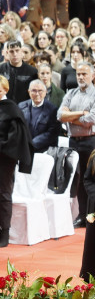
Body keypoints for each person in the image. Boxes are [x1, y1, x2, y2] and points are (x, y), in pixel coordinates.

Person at [58, 61, 95, 226]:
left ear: (93, 75)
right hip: (74, 141)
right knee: (78, 178)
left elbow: (91, 120)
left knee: (93, 178)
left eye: (84, 74)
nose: (80, 77)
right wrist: (79, 113)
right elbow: (60, 116)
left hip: (92, 140)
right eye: (78, 74)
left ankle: (94, 213)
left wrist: (70, 117)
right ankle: (82, 215)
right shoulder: (71, 93)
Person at [0, 75, 33, 248]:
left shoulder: (11, 109)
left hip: (5, 158)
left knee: (3, 193)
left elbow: (16, 138)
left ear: (5, 90)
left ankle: (4, 231)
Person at [18, 80, 59, 154]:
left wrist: (30, 144)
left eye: (40, 91)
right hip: (24, 150)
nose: (37, 94)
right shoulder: (21, 106)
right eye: (34, 90)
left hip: (44, 151)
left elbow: (52, 133)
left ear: (45, 91)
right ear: (29, 91)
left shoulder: (53, 109)